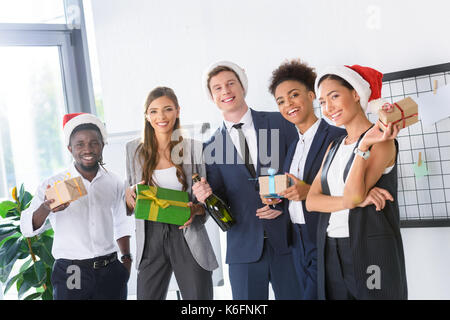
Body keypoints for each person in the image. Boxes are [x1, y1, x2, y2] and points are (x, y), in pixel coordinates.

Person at [193, 61, 302, 300]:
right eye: (218, 88)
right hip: (243, 248)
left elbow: (301, 170)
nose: (226, 91)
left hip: (288, 240)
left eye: (231, 83)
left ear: (243, 86)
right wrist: (206, 196)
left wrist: (281, 204)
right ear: (212, 97)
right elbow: (220, 199)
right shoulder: (211, 147)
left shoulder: (280, 123)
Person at [306, 65, 408, 300]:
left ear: (355, 94)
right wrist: (353, 202)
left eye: (334, 96)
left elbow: (353, 195)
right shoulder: (333, 147)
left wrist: (362, 146)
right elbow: (311, 201)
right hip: (331, 250)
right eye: (322, 102)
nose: (328, 108)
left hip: (370, 251)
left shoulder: (381, 142)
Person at [20, 113, 133, 300]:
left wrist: (126, 259)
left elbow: (122, 222)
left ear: (102, 146)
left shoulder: (115, 181)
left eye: (94, 142)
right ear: (70, 148)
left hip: (110, 269)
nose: (87, 149)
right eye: (80, 144)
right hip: (73, 271)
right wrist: (47, 208)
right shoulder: (53, 184)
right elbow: (26, 228)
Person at [125, 86, 218, 300]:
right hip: (150, 234)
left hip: (187, 233)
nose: (161, 116)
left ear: (177, 111)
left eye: (167, 109)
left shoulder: (195, 148)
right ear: (147, 116)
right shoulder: (133, 150)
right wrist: (129, 195)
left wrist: (195, 209)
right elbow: (131, 199)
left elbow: (205, 202)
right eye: (154, 111)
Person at [264, 59, 346, 299]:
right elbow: (295, 191)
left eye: (294, 95)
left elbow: (348, 193)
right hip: (296, 240)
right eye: (280, 101)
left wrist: (307, 191)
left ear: (311, 95)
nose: (288, 104)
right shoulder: (292, 148)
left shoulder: (337, 137)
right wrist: (276, 196)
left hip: (325, 237)